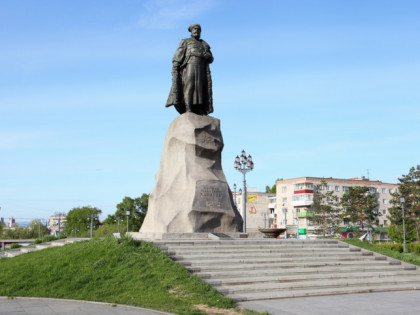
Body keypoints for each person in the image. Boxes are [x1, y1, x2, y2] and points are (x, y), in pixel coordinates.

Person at [165, 24, 214, 115]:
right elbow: (178, 54)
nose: (196, 30)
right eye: (194, 29)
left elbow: (211, 58)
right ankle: (188, 108)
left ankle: (200, 109)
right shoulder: (186, 41)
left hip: (202, 68)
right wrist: (175, 66)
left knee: (200, 88)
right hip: (189, 66)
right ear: (191, 31)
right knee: (189, 86)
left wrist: (207, 56)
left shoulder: (204, 44)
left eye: (198, 29)